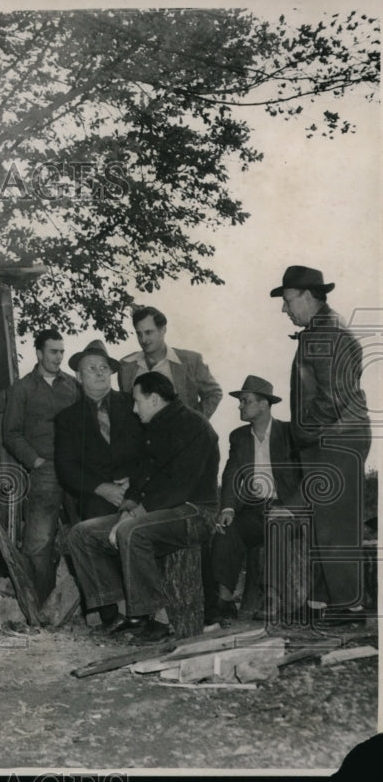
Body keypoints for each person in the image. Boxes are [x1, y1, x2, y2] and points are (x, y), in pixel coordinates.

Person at [67, 372, 220, 642]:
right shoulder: (155, 426)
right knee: (81, 534)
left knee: (132, 532)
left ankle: (155, 619)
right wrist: (128, 506)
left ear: (154, 399)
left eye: (137, 402)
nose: (135, 410)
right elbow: (141, 475)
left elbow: (179, 487)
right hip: (161, 512)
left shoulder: (193, 426)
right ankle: (118, 613)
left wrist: (135, 514)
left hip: (196, 513)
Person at [273, 265, 372, 627]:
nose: (285, 310)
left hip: (335, 437)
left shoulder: (326, 335)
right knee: (325, 522)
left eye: (287, 302)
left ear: (307, 296)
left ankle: (349, 609)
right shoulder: (322, 330)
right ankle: (325, 603)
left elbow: (331, 401)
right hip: (330, 437)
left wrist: (301, 433)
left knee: (334, 526)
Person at [210, 376, 303, 623]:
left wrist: (289, 507)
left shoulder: (289, 433)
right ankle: (225, 601)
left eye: (245, 401)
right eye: (241, 401)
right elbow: (230, 474)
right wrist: (228, 507)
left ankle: (272, 599)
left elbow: (308, 476)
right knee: (227, 532)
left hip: (288, 511)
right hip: (253, 511)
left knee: (277, 525)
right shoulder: (239, 437)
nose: (240, 406)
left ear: (264, 404)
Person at [2, 329, 80, 611]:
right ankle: (36, 606)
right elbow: (10, 433)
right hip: (45, 470)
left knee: (84, 531)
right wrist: (34, 461)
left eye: (61, 351)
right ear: (38, 353)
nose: (59, 357)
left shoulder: (73, 386)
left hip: (77, 471)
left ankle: (83, 608)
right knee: (38, 540)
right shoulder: (21, 389)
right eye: (53, 351)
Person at [54, 340, 144, 522]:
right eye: (92, 368)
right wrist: (102, 488)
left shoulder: (134, 404)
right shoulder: (67, 418)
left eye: (104, 367)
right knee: (96, 529)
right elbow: (66, 467)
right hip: (96, 498)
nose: (99, 373)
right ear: (79, 377)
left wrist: (134, 482)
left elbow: (153, 450)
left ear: (111, 372)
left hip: (139, 491)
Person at [118, 306, 223, 418]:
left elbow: (214, 393)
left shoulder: (190, 361)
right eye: (139, 334)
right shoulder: (126, 365)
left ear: (163, 330)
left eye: (148, 332)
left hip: (179, 434)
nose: (143, 340)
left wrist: (193, 423)